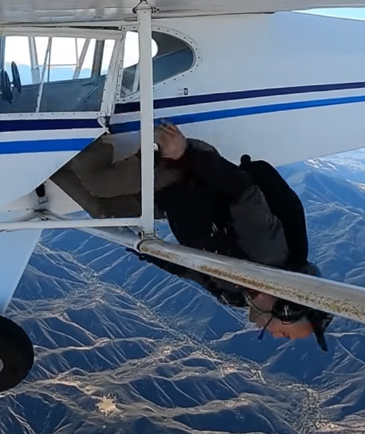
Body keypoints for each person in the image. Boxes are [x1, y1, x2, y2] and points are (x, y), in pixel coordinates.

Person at [50, 123, 333, 350]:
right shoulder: (266, 253)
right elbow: (243, 191)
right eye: (284, 334)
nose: (273, 335)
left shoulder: (235, 292)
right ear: (286, 309)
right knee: (102, 184)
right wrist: (184, 153)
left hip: (174, 200)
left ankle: (43, 169)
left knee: (106, 214)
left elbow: (187, 267)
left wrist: (146, 250)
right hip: (189, 172)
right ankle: (76, 129)